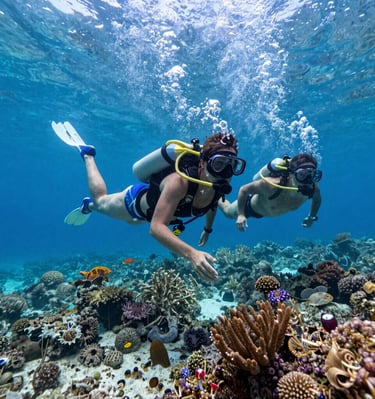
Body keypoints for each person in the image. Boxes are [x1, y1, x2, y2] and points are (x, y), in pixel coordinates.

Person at [66, 131, 246, 283]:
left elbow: (212, 203)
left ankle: (93, 205)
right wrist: (192, 254)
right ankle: (88, 157)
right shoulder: (179, 182)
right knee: (100, 201)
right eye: (219, 164)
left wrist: (208, 228)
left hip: (149, 215)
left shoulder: (217, 185)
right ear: (203, 162)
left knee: (134, 223)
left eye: (232, 166)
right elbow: (156, 227)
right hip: (133, 204)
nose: (226, 173)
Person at [219, 153, 322, 231]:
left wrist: (311, 217)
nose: (307, 179)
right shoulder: (271, 185)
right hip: (249, 207)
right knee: (227, 212)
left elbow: (317, 200)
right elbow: (244, 189)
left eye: (312, 174)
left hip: (266, 210)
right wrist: (241, 214)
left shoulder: (313, 188)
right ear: (291, 174)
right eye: (302, 174)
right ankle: (216, 197)